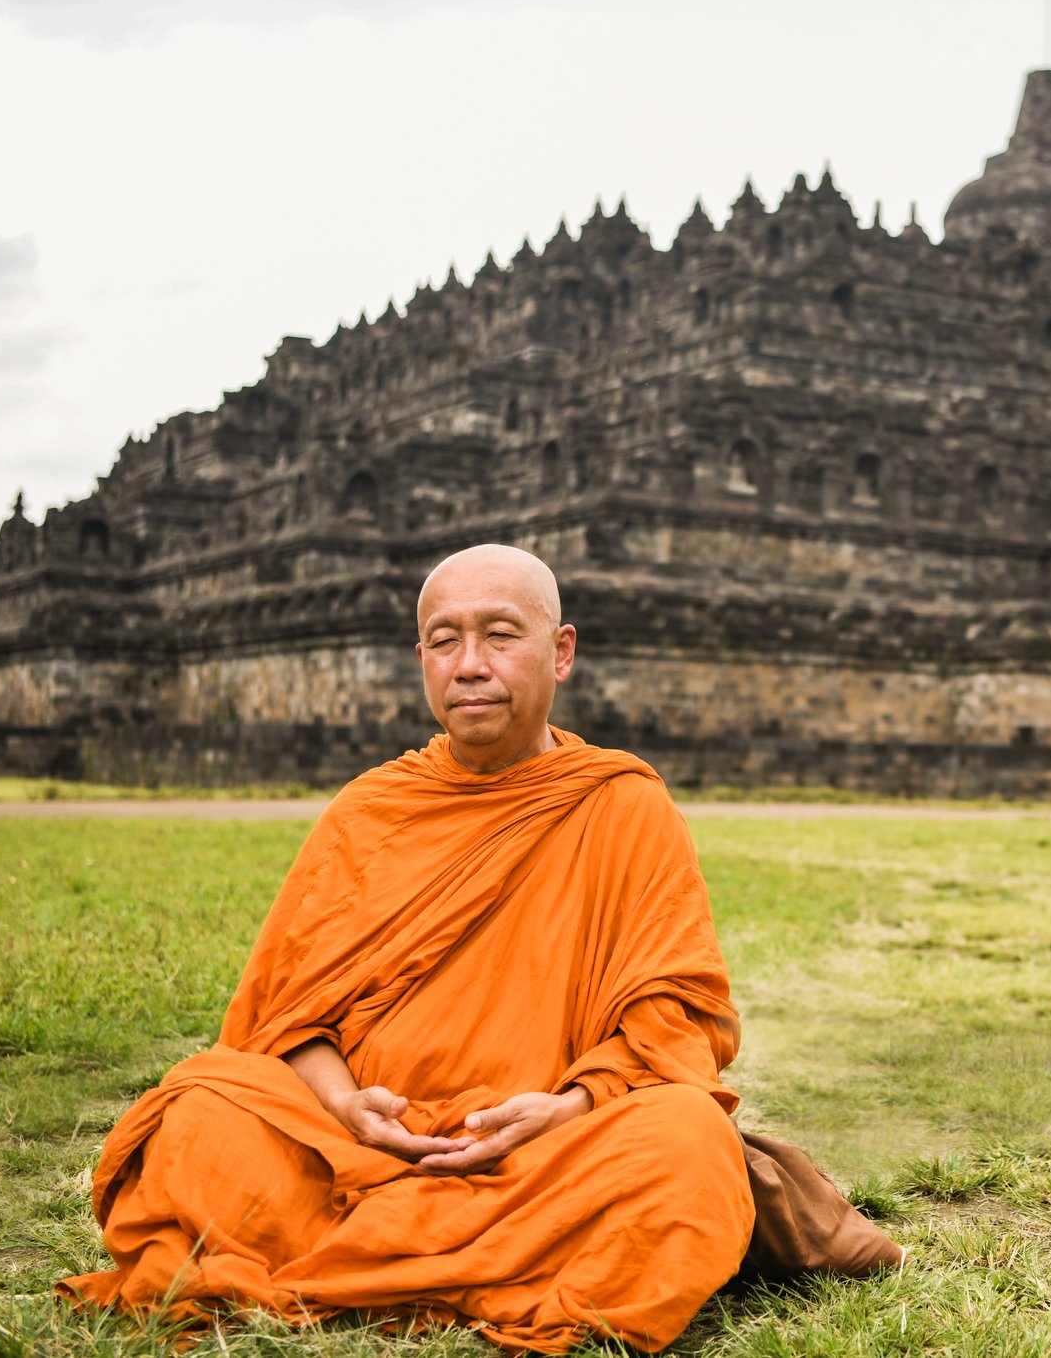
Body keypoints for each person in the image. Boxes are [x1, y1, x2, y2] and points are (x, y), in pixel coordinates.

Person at [59, 544, 895, 1353]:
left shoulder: (622, 805)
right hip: (360, 1145)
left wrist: (568, 1107)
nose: (469, 665)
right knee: (198, 1108)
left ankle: (368, 1262)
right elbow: (287, 1017)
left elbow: (670, 1022)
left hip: (544, 1150)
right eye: (444, 640)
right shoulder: (370, 811)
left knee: (682, 1143)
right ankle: (495, 1267)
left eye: (500, 635)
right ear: (419, 656)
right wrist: (349, 1104)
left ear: (559, 652)